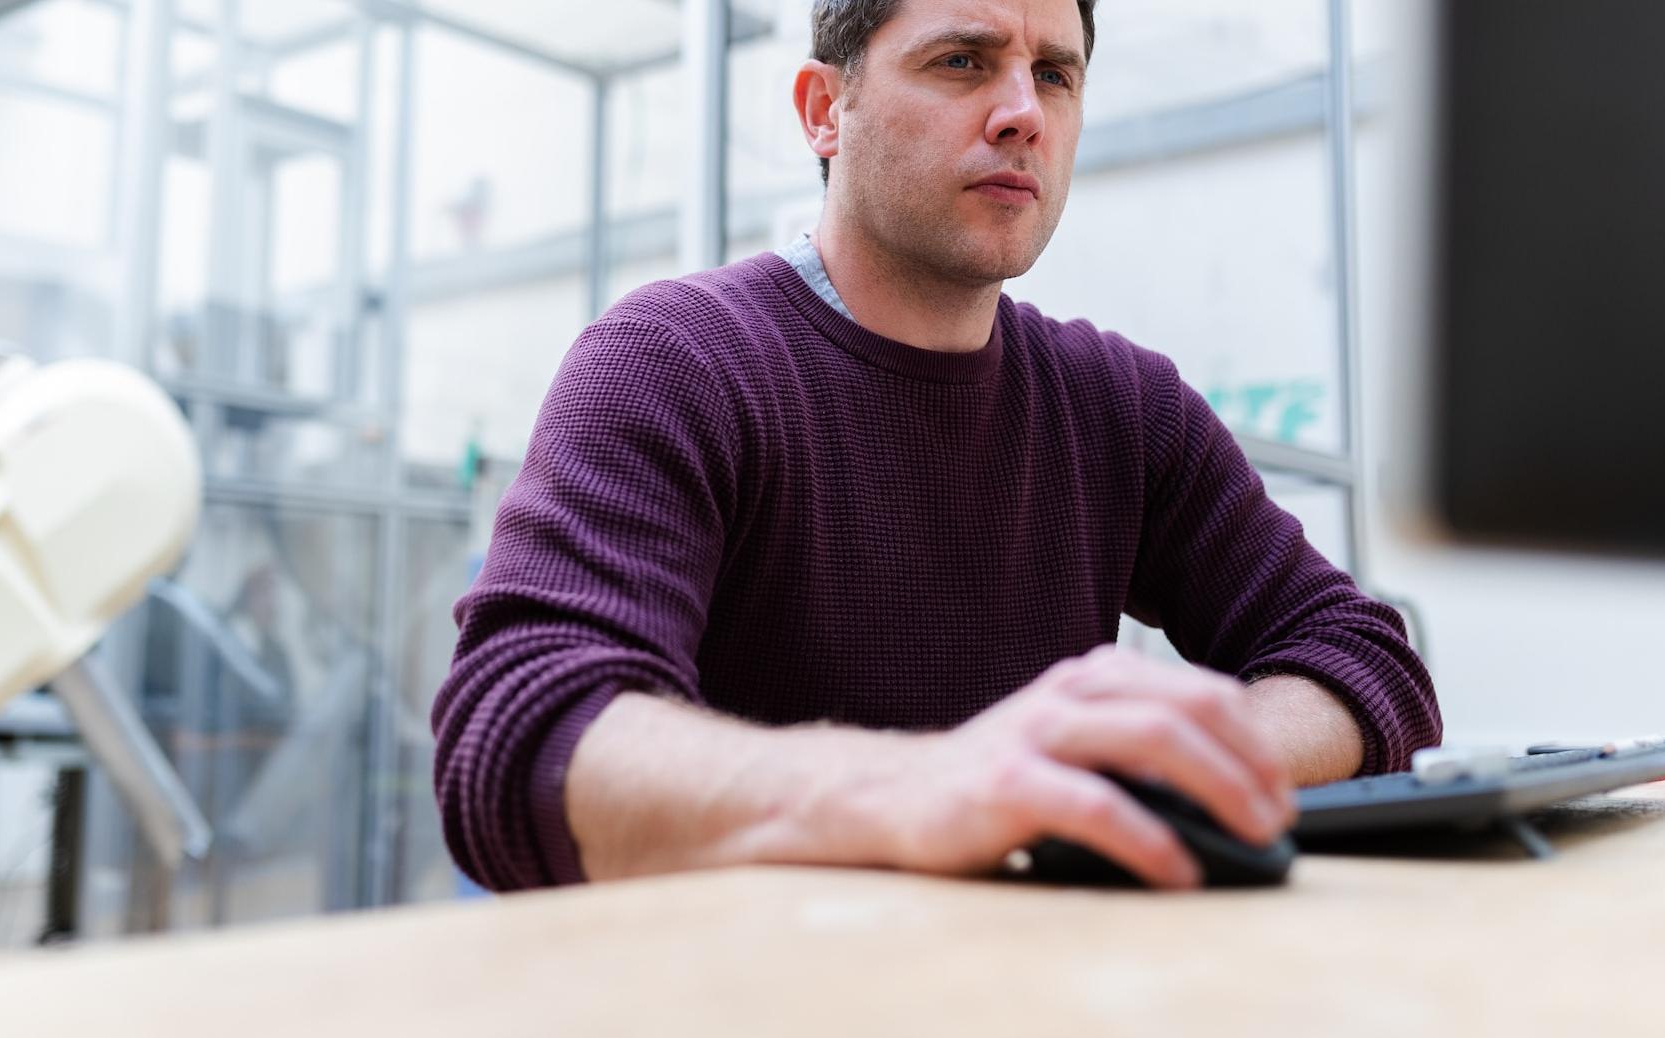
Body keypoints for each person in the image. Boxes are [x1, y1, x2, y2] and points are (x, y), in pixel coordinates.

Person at [432, 0, 1441, 894]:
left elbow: (1363, 658)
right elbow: (518, 741)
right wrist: (928, 784)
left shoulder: (1121, 405)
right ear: (826, 110)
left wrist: (1162, 761)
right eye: (962, 61)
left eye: (1055, 73)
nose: (1023, 114)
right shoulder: (677, 361)